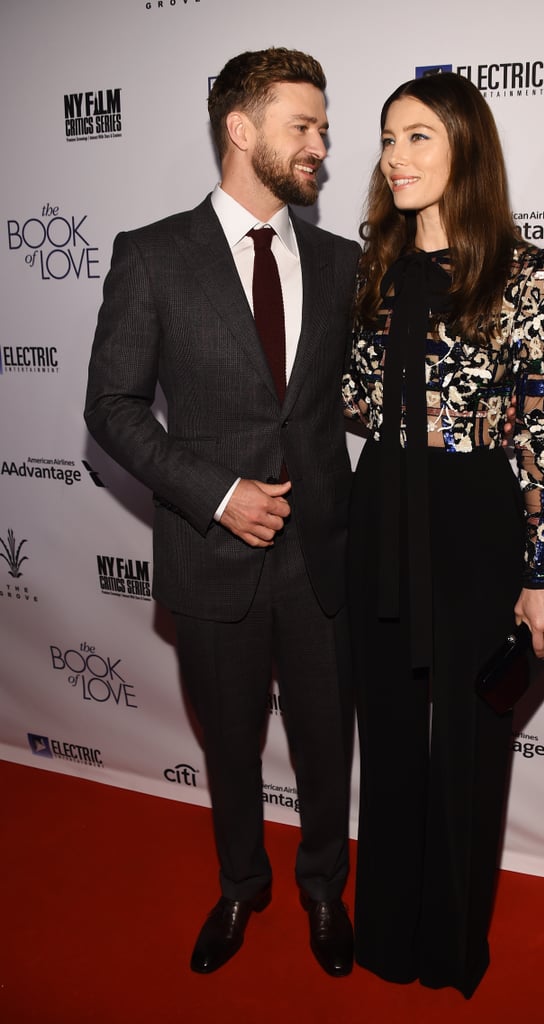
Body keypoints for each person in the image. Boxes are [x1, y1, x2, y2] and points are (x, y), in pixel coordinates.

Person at [85, 48, 359, 978]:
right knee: (230, 746)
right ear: (242, 130)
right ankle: (243, 883)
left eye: (324, 126)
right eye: (303, 126)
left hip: (323, 558)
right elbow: (112, 408)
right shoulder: (152, 255)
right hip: (210, 554)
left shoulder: (342, 262)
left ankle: (325, 887)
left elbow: (357, 400)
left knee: (329, 745)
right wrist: (217, 492)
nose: (322, 143)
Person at [342, 71, 544, 998]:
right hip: (381, 499)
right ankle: (388, 936)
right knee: (389, 734)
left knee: (471, 746)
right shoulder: (372, 268)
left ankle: (451, 946)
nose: (396, 156)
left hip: (474, 513)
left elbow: (543, 434)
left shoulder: (526, 275)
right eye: (389, 137)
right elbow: (357, 401)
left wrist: (543, 570)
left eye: (420, 137)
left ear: (464, 149)